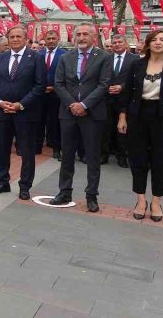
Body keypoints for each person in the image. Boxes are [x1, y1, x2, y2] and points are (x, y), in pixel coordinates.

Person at [118, 30, 163, 222]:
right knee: (138, 158)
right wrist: (122, 117)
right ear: (148, 44)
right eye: (154, 39)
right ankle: (140, 200)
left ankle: (156, 201)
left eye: (162, 40)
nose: (158, 43)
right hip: (137, 115)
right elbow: (127, 94)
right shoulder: (136, 64)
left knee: (160, 160)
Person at [48, 23, 112, 212]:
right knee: (67, 155)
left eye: (86, 34)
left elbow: (104, 84)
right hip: (68, 114)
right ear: (73, 37)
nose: (82, 37)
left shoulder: (104, 57)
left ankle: (91, 196)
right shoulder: (65, 57)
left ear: (93, 37)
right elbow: (58, 84)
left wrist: (84, 105)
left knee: (92, 156)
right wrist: (72, 105)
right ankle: (64, 192)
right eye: (78, 34)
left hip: (92, 114)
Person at [0, 25, 46, 200]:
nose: (15, 40)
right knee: (2, 148)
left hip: (25, 113)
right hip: (3, 111)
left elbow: (39, 86)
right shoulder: (1, 58)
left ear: (26, 39)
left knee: (26, 151)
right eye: (12, 37)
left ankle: (25, 186)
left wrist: (21, 104)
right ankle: (2, 182)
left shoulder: (36, 58)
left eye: (18, 37)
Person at [102, 34, 138, 168]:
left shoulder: (134, 59)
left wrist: (122, 87)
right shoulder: (106, 58)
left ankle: (121, 156)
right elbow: (101, 76)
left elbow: (136, 78)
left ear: (125, 44)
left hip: (125, 99)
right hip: (107, 98)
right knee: (106, 129)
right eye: (114, 42)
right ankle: (104, 155)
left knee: (123, 130)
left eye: (119, 42)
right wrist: (107, 87)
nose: (117, 44)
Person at [38, 30, 66, 160]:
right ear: (45, 39)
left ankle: (56, 149)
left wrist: (54, 87)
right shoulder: (39, 54)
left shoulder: (64, 55)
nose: (50, 41)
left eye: (53, 38)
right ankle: (37, 146)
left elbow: (67, 75)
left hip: (57, 95)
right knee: (39, 120)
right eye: (48, 38)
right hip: (40, 94)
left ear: (58, 39)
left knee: (55, 123)